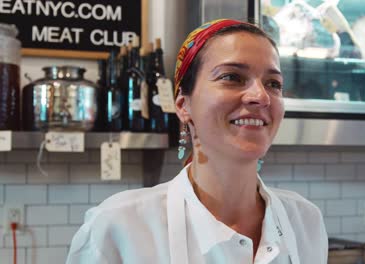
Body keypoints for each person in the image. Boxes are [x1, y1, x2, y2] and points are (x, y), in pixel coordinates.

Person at [66, 19, 328, 264]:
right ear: (183, 105)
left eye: (273, 83)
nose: (261, 96)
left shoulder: (305, 220)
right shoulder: (120, 226)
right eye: (232, 77)